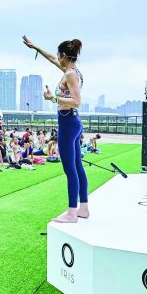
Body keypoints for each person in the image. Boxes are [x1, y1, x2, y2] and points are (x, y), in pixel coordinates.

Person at [23, 36, 89, 223]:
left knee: (70, 169)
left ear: (64, 56)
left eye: (59, 55)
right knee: (77, 167)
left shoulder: (70, 75)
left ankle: (71, 212)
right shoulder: (72, 70)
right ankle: (83, 208)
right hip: (73, 122)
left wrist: (53, 98)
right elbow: (52, 58)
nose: (56, 58)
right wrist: (35, 46)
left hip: (68, 123)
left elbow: (77, 101)